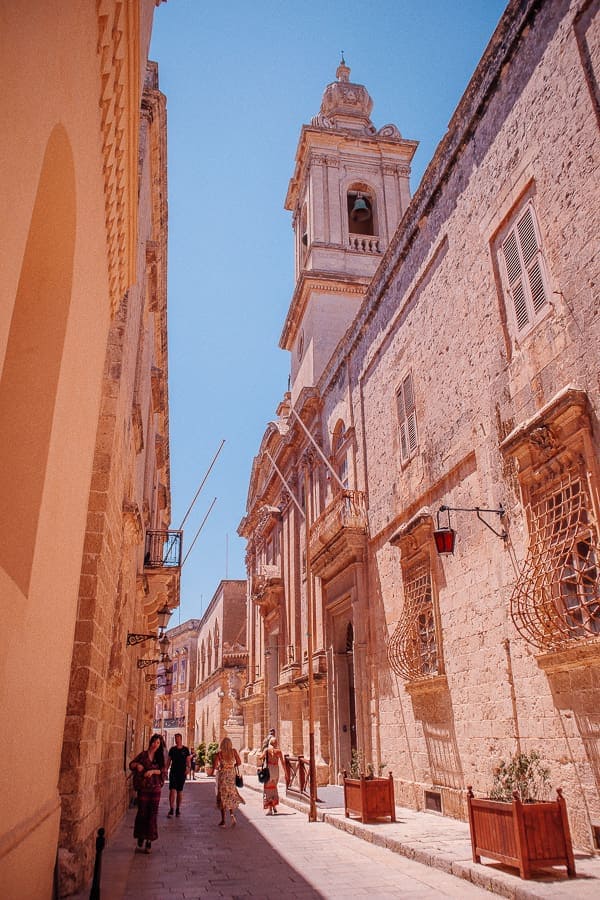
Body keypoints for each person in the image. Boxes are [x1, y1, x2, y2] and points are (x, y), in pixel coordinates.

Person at [129, 734, 166, 853]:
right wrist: (138, 765)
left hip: (155, 789)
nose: (156, 745)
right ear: (151, 742)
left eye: (158, 743)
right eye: (155, 742)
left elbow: (163, 772)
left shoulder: (160, 757)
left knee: (152, 814)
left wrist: (153, 771)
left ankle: (149, 840)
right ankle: (140, 836)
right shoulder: (143, 755)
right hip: (144, 788)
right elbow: (131, 764)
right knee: (142, 813)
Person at [214, 736, 245, 827]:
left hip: (223, 776)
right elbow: (239, 762)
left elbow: (216, 766)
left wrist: (221, 767)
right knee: (231, 795)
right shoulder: (234, 751)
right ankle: (231, 814)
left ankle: (223, 821)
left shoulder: (219, 754)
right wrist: (232, 765)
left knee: (222, 797)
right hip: (231, 776)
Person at [167, 733, 191, 817]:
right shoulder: (172, 750)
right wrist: (165, 770)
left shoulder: (185, 750)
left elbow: (188, 761)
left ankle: (178, 809)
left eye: (178, 738)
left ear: (181, 739)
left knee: (179, 791)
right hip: (173, 772)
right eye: (175, 739)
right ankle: (171, 809)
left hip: (182, 773)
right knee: (172, 790)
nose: (177, 740)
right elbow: (168, 761)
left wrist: (188, 768)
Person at [261, 736, 285, 815]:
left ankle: (270, 809)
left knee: (268, 789)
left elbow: (260, 758)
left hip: (269, 770)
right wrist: (286, 773)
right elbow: (283, 762)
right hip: (276, 770)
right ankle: (274, 806)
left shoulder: (266, 750)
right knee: (274, 788)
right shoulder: (278, 751)